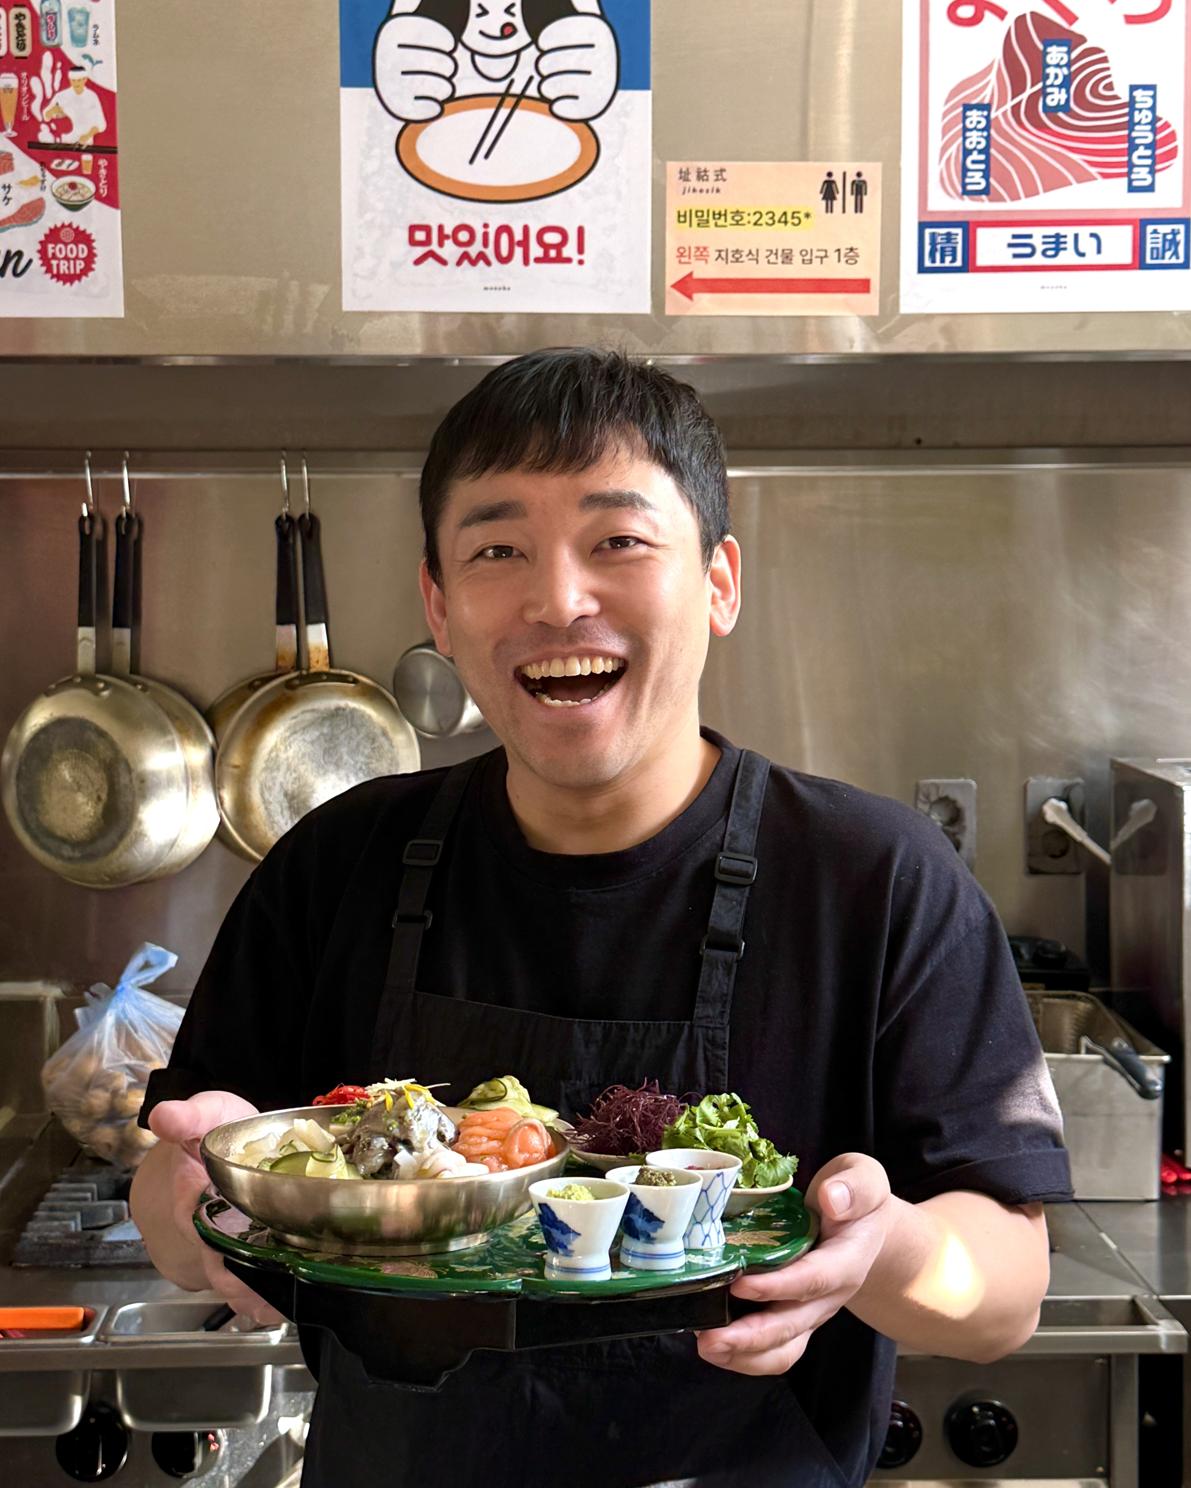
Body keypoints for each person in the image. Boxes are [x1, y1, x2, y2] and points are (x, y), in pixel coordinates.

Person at [132, 348, 1070, 1488]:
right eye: (497, 550)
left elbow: (1005, 1296)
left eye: (618, 540)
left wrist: (882, 1247)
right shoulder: (337, 865)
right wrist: (191, 1192)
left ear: (719, 582)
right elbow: (173, 1199)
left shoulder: (875, 880)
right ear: (438, 603)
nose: (558, 599)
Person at [44, 68, 105, 176]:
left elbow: (101, 124)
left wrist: (88, 135)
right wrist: (52, 111)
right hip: (63, 146)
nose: (76, 83)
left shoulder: (92, 96)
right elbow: (46, 116)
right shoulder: (61, 96)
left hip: (85, 147)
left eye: (79, 80)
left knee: (84, 175)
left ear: (85, 79)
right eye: (73, 80)